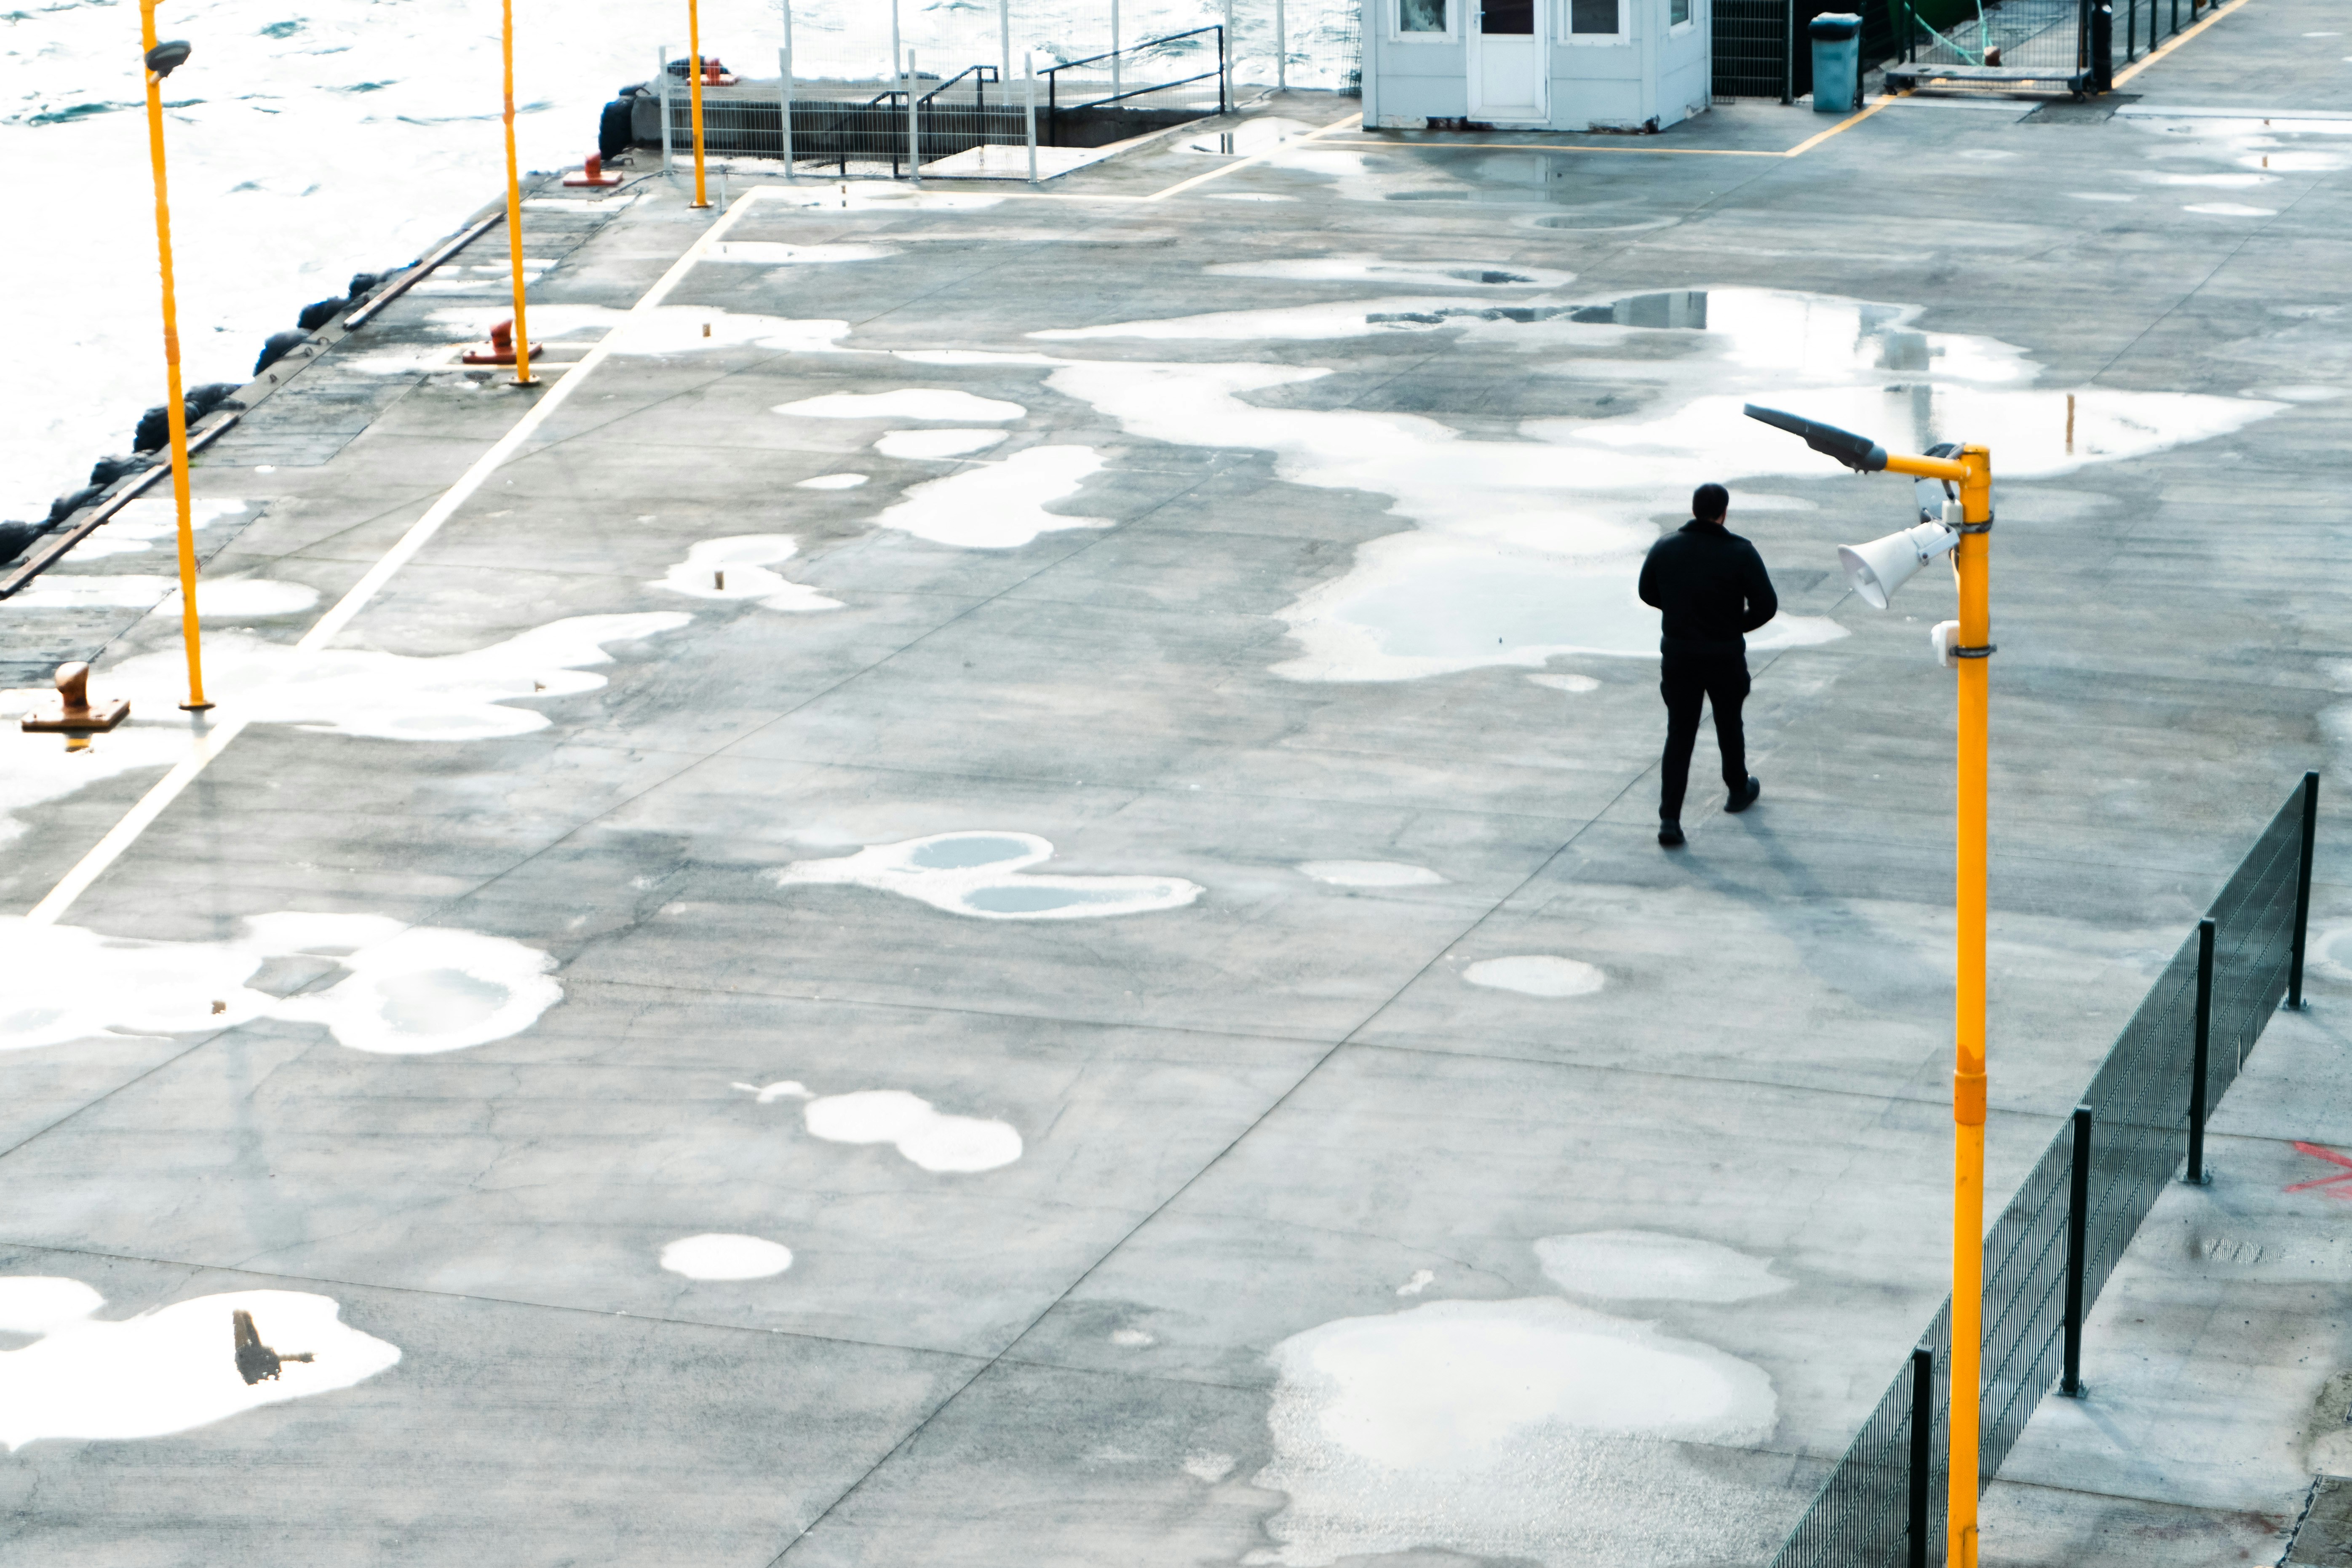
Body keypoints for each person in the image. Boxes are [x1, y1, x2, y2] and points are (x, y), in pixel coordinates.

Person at [1637, 483, 1777, 848]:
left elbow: (1647, 591)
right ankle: (1737, 789)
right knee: (1729, 723)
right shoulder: (1740, 552)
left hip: (1679, 655)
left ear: (1694, 508)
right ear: (1724, 512)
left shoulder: (1666, 547)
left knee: (1680, 733)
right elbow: (1767, 605)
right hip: (1724, 655)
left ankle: (1670, 819)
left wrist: (1680, 613)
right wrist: (1733, 625)